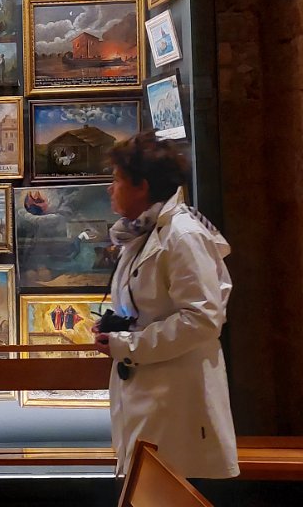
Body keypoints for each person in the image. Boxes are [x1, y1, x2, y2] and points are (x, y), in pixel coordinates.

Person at [93, 131, 238, 480]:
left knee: (162, 490)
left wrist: (128, 345)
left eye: (117, 180)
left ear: (141, 186)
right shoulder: (142, 234)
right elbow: (146, 306)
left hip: (175, 398)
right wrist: (115, 328)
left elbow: (202, 319)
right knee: (146, 486)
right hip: (150, 391)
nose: (110, 189)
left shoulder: (183, 236)